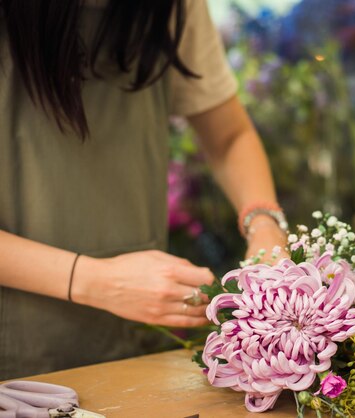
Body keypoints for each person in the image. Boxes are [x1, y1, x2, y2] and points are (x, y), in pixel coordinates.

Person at [0, 0, 287, 379]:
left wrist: (264, 226)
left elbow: (229, 136)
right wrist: (95, 281)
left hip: (138, 346)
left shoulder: (175, 7)